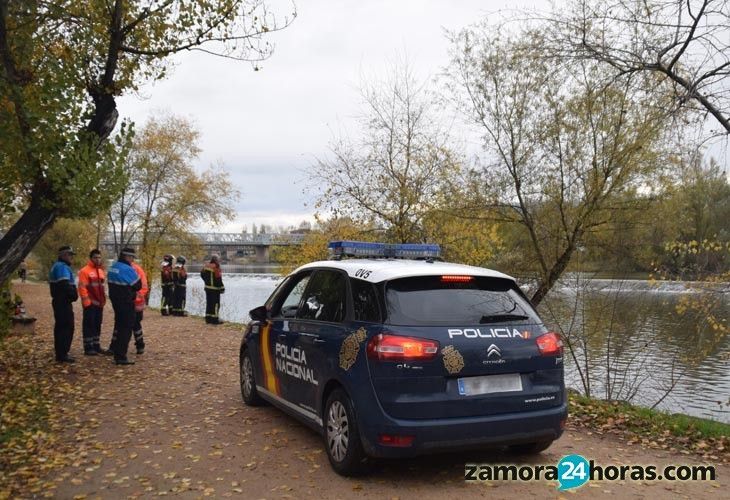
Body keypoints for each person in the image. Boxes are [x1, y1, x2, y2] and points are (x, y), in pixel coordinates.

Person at [107, 247, 141, 365]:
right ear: (127, 256)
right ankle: (121, 356)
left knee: (119, 326)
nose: (132, 260)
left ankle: (116, 351)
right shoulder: (127, 269)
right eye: (132, 258)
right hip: (126, 302)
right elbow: (138, 285)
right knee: (126, 328)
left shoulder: (113, 268)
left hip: (116, 302)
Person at [48, 246, 78, 362]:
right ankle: (62, 354)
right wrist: (73, 295)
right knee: (66, 327)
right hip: (63, 302)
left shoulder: (58, 266)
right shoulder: (61, 267)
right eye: (70, 255)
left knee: (62, 326)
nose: (71, 257)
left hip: (60, 301)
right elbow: (64, 285)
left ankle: (61, 353)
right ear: (63, 255)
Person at [77, 249, 106, 355]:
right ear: (91, 258)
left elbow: (102, 288)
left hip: (99, 303)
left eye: (99, 257)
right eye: (95, 257)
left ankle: (96, 345)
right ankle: (88, 347)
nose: (97, 259)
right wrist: (86, 303)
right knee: (89, 325)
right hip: (90, 303)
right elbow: (82, 287)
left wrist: (103, 300)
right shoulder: (85, 271)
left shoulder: (101, 271)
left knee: (97, 324)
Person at [131, 259, 149, 354]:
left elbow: (144, 287)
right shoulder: (137, 269)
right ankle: (140, 345)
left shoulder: (135, 269)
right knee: (135, 324)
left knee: (134, 324)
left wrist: (135, 298)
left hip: (135, 302)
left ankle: (140, 345)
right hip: (135, 302)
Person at [201, 255, 225, 324]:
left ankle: (208, 319)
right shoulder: (216, 267)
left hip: (207, 288)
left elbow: (201, 274)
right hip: (215, 289)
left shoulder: (206, 266)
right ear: (216, 260)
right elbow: (218, 279)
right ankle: (215, 319)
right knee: (216, 304)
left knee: (209, 303)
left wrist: (206, 281)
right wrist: (222, 288)